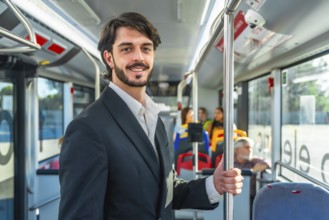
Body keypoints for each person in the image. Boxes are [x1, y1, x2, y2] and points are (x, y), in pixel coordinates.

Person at [59, 12, 243, 220]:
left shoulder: (154, 119)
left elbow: (164, 189)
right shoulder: (88, 128)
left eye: (146, 48)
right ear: (109, 58)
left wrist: (214, 185)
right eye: (127, 48)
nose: (138, 57)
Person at [234, 137, 269, 217]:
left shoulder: (252, 160)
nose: (250, 150)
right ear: (237, 150)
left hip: (249, 197)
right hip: (233, 196)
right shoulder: (228, 161)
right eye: (247, 147)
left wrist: (251, 171)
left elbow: (266, 163)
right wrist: (252, 171)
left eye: (251, 148)